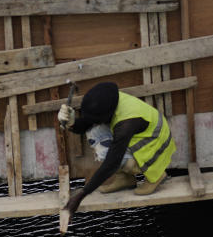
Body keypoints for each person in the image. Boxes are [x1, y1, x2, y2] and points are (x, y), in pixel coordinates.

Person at [57, 82, 176, 219]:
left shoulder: (126, 124)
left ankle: (156, 175)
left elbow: (111, 163)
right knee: (94, 133)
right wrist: (71, 123)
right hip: (142, 134)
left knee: (111, 155)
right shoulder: (111, 101)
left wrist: (80, 196)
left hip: (155, 144)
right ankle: (125, 179)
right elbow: (87, 124)